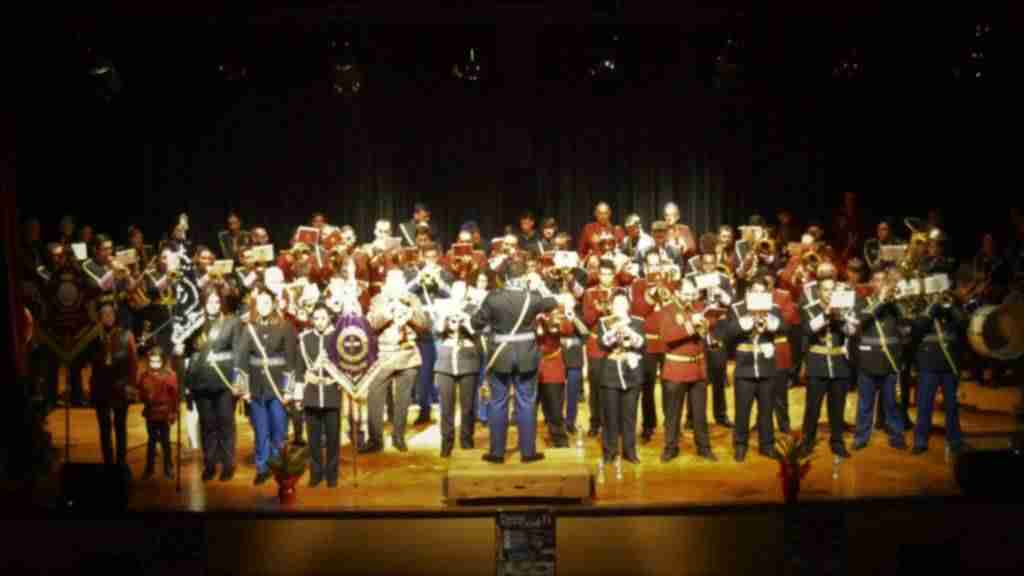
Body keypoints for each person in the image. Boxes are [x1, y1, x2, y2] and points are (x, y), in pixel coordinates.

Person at [471, 261, 558, 463]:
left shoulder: (493, 298)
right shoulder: (534, 298)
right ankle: (528, 453)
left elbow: (476, 323)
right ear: (523, 278)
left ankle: (497, 453)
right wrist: (539, 284)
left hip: (500, 356)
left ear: (506, 278)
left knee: (498, 403)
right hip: (526, 356)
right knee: (526, 403)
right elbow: (552, 302)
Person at [233, 287, 297, 485]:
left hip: (277, 388)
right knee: (261, 431)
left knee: (278, 430)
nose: (264, 306)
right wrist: (243, 389)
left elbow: (291, 360)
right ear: (256, 305)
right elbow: (240, 359)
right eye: (260, 303)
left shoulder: (285, 327)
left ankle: (278, 466)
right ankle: (262, 467)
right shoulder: (248, 328)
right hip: (256, 388)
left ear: (274, 303)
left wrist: (288, 390)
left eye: (267, 302)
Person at [363, 269, 431, 453]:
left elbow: (424, 324)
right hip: (383, 356)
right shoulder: (378, 300)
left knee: (403, 400)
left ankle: (398, 437)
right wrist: (389, 311)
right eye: (392, 282)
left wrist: (409, 314)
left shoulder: (412, 298)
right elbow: (372, 324)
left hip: (408, 354)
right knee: (374, 397)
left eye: (399, 281)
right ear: (386, 283)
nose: (396, 286)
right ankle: (375, 440)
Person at [184, 288, 243, 482]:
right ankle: (209, 464)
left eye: (217, 302)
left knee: (226, 423)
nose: (213, 305)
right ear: (203, 302)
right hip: (201, 381)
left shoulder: (231, 322)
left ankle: (228, 464)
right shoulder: (195, 324)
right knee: (207, 424)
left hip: (224, 381)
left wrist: (238, 381)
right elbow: (187, 353)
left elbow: (238, 354)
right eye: (210, 301)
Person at [722, 279, 782, 461]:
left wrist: (770, 324)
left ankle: (767, 445)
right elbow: (728, 334)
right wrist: (747, 321)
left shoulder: (773, 308)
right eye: (755, 292)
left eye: (762, 293)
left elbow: (785, 328)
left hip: (766, 366)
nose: (759, 296)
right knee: (742, 411)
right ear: (749, 293)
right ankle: (740, 445)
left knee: (766, 410)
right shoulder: (737, 308)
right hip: (745, 367)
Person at [659, 279, 716, 462]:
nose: (690, 298)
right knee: (673, 413)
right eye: (687, 294)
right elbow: (668, 336)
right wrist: (692, 325)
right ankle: (670, 447)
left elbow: (706, 331)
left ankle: (704, 447)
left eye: (693, 294)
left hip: (697, 367)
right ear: (677, 293)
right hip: (676, 368)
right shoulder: (667, 310)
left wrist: (707, 325)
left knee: (700, 413)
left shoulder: (697, 307)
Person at [799, 278, 856, 459]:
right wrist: (826, 314)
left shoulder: (844, 308)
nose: (829, 293)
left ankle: (837, 441)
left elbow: (852, 332)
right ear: (819, 292)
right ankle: (807, 441)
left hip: (839, 363)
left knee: (837, 407)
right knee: (813, 407)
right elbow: (808, 330)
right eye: (825, 290)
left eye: (832, 290)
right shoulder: (810, 308)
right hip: (817, 364)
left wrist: (843, 316)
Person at [851, 270, 907, 450]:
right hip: (868, 360)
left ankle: (896, 435)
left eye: (884, 281)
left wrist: (895, 299)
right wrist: (880, 301)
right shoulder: (862, 302)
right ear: (871, 284)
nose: (881, 283)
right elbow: (861, 319)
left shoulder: (894, 305)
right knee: (865, 404)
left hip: (890, 360)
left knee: (892, 403)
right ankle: (861, 438)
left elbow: (906, 321)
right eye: (877, 280)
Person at [910, 282, 967, 456]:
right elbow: (917, 328)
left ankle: (955, 439)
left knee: (951, 405)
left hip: (949, 363)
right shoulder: (921, 306)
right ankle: (920, 441)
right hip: (928, 362)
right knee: (925, 404)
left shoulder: (953, 308)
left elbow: (963, 323)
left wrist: (950, 306)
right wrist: (932, 307)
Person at [85, 298, 138, 468]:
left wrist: (131, 386)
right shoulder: (93, 337)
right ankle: (108, 463)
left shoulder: (126, 335)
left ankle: (121, 463)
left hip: (120, 387)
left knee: (120, 427)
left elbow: (133, 363)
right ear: (99, 317)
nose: (107, 316)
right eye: (104, 314)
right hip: (101, 388)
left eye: (110, 313)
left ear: (115, 315)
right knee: (104, 428)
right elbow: (88, 361)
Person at [432, 281, 481, 457]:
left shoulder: (473, 308)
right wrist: (445, 320)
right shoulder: (443, 306)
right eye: (456, 290)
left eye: (462, 290)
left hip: (467, 360)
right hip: (446, 361)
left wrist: (467, 323)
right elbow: (436, 332)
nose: (459, 293)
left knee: (468, 407)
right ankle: (446, 443)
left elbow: (479, 334)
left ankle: (467, 442)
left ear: (467, 292)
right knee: (446, 407)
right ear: (451, 291)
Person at [295, 305, 343, 487]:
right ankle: (315, 474)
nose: (320, 322)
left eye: (323, 317)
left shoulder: (338, 338)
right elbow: (300, 369)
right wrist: (299, 396)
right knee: (313, 440)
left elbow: (345, 365)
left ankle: (332, 475)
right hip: (312, 393)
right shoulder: (304, 339)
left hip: (331, 393)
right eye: (316, 318)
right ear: (312, 320)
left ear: (329, 317)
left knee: (333, 439)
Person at [596, 292, 646, 464]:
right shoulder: (604, 322)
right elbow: (602, 344)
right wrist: (614, 330)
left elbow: (641, 344)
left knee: (630, 415)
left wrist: (627, 330)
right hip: (610, 373)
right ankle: (610, 451)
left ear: (628, 305)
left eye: (623, 303)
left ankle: (629, 451)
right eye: (616, 303)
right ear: (611, 306)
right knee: (610, 415)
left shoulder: (637, 322)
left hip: (632, 373)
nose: (619, 306)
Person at [138, 346, 178, 480]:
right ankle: (149, 468)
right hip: (151, 412)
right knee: (151, 441)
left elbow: (174, 396)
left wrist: (173, 412)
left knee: (166, 441)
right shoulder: (145, 375)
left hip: (164, 412)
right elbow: (141, 393)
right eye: (152, 362)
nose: (155, 365)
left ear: (163, 361)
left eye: (157, 362)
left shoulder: (170, 375)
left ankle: (168, 467)